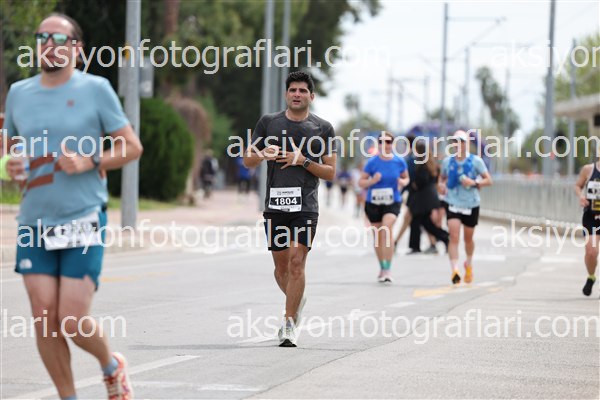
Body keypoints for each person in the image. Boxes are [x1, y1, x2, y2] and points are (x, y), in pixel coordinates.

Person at [1, 14, 142, 399]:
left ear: (77, 49)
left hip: (82, 219)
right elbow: (10, 153)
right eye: (42, 37)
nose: (49, 44)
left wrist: (90, 160)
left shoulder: (96, 90)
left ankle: (111, 366)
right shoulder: (19, 93)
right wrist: (9, 167)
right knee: (43, 317)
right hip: (33, 222)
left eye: (59, 38)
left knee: (72, 319)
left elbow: (132, 147)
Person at [243, 71, 336, 347]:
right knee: (281, 268)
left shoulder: (323, 128)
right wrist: (262, 153)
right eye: (293, 90)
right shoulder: (269, 123)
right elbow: (248, 160)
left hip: (305, 206)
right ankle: (297, 299)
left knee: (297, 262)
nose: (297, 94)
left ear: (311, 96)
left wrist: (302, 160)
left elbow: (330, 172)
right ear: (286, 94)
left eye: (303, 90)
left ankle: (288, 323)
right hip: (276, 205)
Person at [438, 130, 492, 285]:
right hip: (453, 202)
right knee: (453, 236)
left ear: (467, 143)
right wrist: (441, 186)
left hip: (471, 204)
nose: (458, 144)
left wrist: (474, 182)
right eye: (455, 141)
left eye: (461, 141)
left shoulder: (476, 161)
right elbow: (441, 178)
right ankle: (455, 270)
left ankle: (468, 264)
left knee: (468, 238)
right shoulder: (447, 162)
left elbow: (489, 180)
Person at [359, 131, 409, 283]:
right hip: (373, 203)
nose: (384, 144)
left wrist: (403, 182)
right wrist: (372, 181)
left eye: (388, 142)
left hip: (392, 201)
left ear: (392, 144)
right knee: (378, 237)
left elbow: (406, 178)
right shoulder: (372, 162)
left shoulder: (399, 161)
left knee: (386, 229)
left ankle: (388, 269)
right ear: (378, 144)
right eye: (381, 142)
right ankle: (382, 267)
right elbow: (361, 182)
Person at [408, 142, 449, 253]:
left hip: (423, 198)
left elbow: (422, 180)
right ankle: (445, 238)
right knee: (426, 223)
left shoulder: (422, 164)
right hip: (430, 197)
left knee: (418, 221)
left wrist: (414, 184)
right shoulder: (431, 163)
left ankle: (415, 246)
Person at [574, 160, 600, 297]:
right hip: (592, 217)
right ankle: (591, 276)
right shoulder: (588, 169)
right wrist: (581, 196)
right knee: (591, 252)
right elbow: (578, 186)